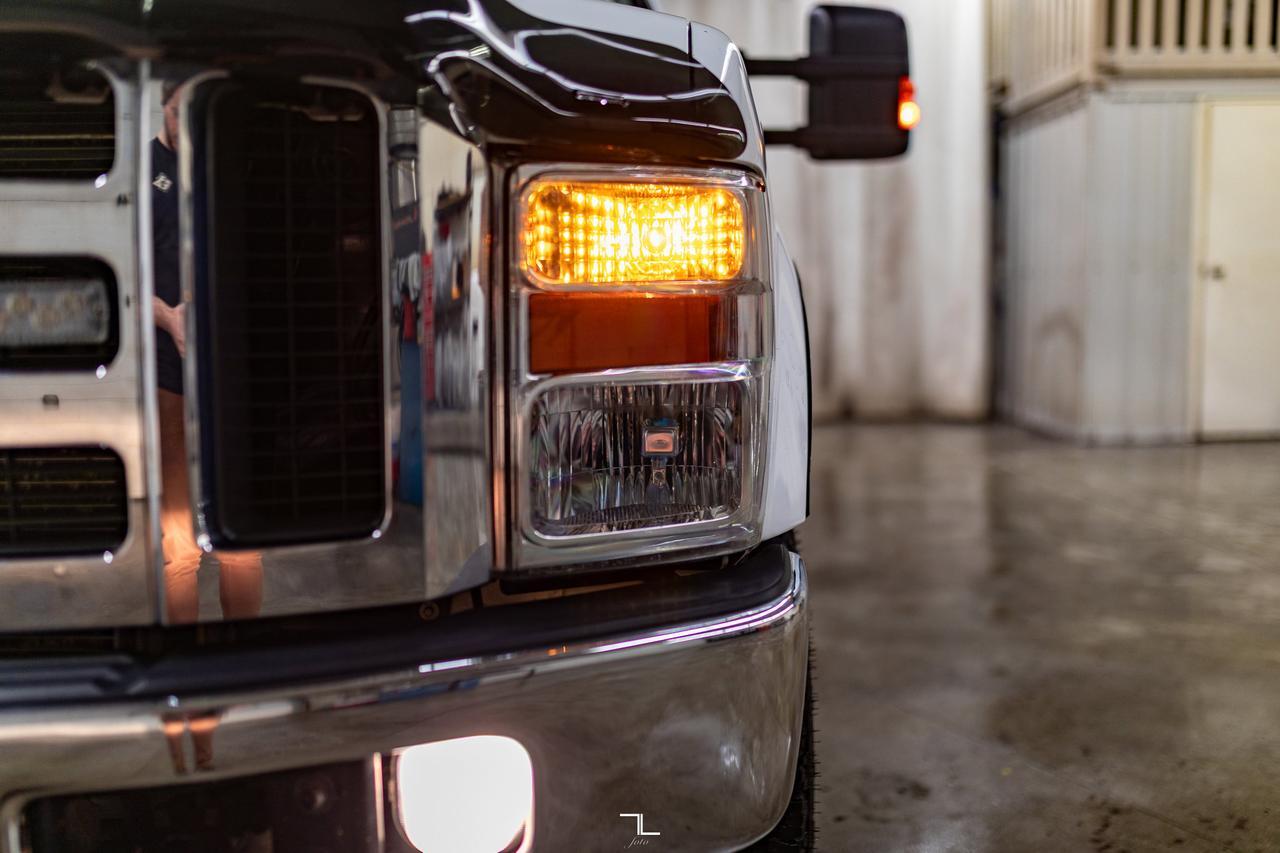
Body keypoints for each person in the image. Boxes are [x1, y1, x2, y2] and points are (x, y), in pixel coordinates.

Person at [152, 82, 263, 623]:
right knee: (178, 547)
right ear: (164, 106)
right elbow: (124, 270)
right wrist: (168, 317)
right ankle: (187, 660)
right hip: (168, 369)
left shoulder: (228, 162)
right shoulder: (143, 173)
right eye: (179, 113)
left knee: (242, 540)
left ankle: (242, 656)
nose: (187, 125)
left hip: (230, 372)